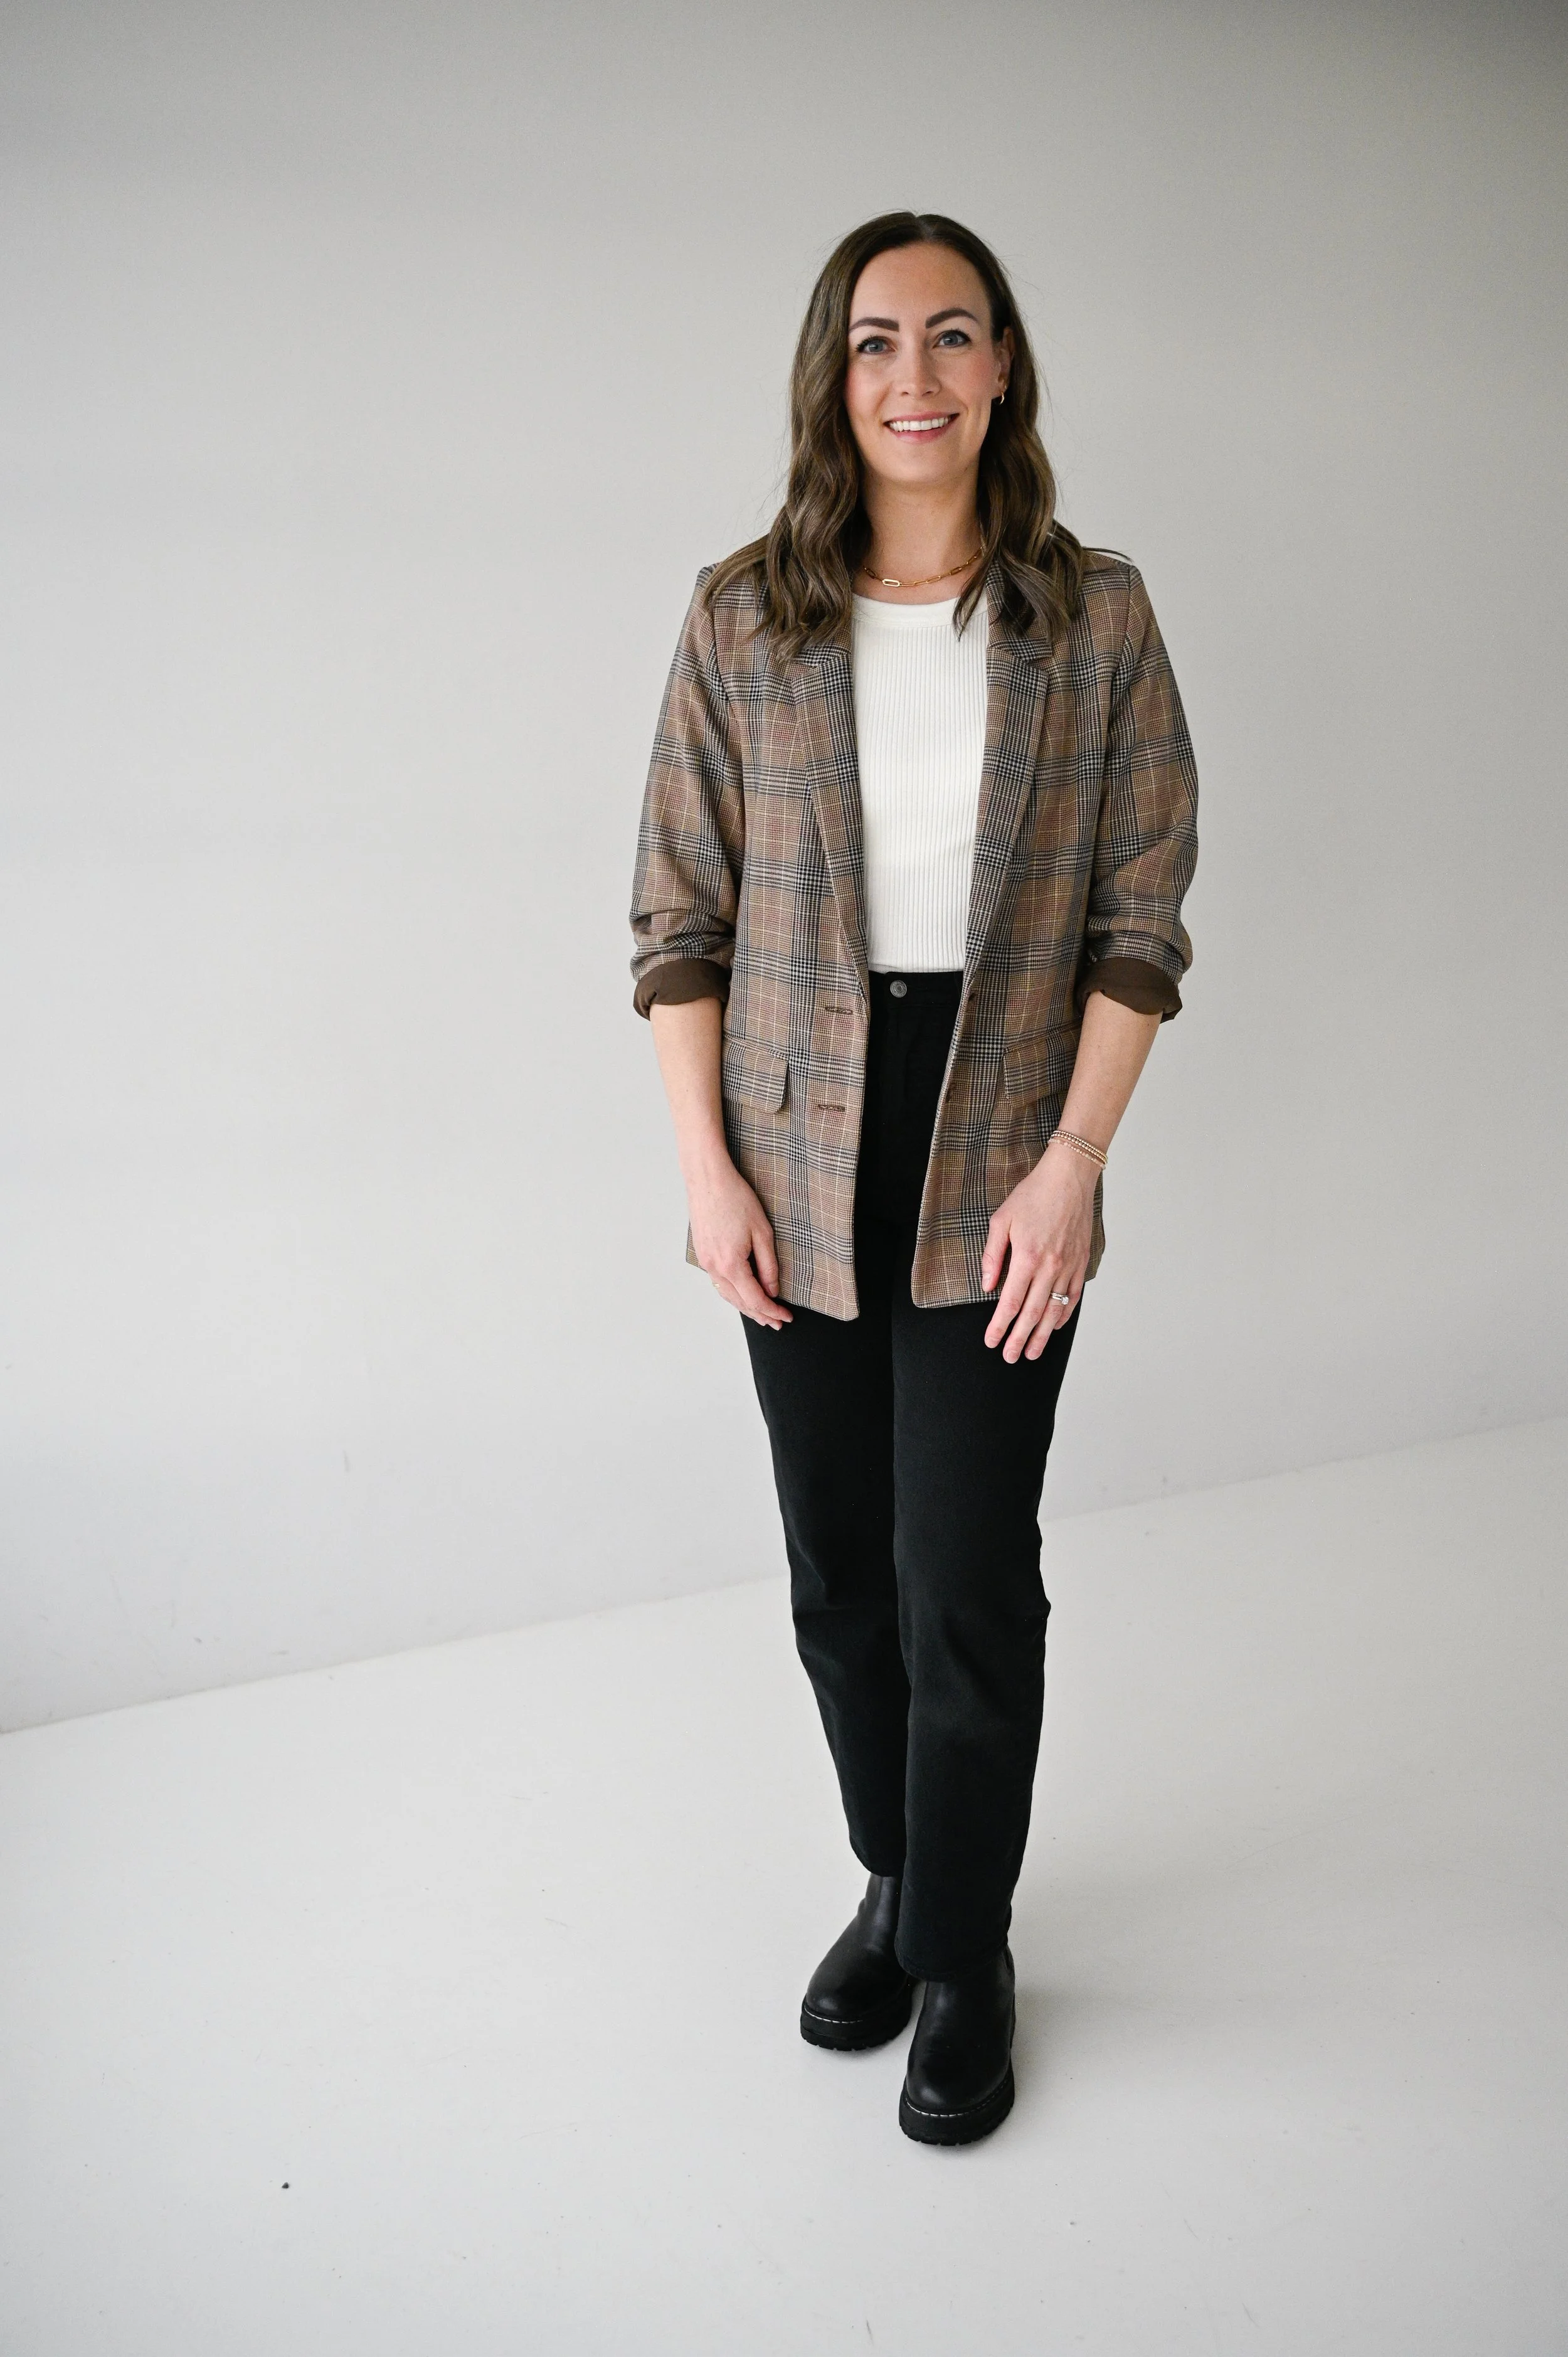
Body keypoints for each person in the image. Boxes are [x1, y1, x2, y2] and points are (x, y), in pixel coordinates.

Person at [628, 211, 1198, 2146]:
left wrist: (1074, 1164)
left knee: (964, 1579)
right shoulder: (739, 615)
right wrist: (708, 1164)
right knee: (834, 1575)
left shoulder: (1091, 616)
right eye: (879, 341)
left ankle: (963, 1950)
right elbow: (674, 913)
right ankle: (894, 1873)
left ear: (1004, 368)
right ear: (832, 373)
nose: (916, 376)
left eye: (955, 337)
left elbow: (1140, 913)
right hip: (794, 1147)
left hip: (999, 1149)